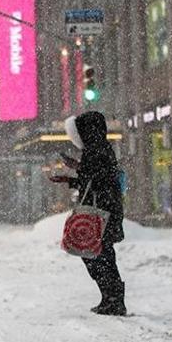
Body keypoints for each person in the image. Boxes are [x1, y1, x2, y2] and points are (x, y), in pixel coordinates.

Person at [50, 111, 127, 316]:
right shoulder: (99, 149)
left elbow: (96, 180)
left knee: (97, 255)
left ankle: (113, 298)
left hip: (101, 212)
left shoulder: (96, 151)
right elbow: (95, 178)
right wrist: (73, 175)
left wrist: (76, 171)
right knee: (100, 254)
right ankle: (111, 297)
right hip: (105, 210)